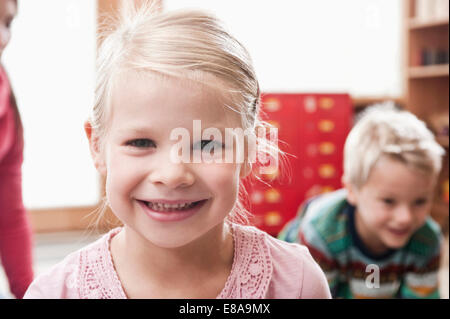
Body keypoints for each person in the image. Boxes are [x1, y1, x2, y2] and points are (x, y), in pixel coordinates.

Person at [23, 1, 330, 299]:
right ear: (97, 146)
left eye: (207, 144)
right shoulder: (54, 293)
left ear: (249, 151)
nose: (172, 175)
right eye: (141, 143)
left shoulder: (297, 284)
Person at [279, 103, 445, 299]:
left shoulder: (427, 240)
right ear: (352, 190)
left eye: (420, 201)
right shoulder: (321, 234)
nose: (405, 218)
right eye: (389, 201)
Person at [0, 0, 34, 299]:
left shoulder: (5, 96)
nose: (2, 38)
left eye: (7, 23)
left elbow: (9, 216)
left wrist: (30, 294)